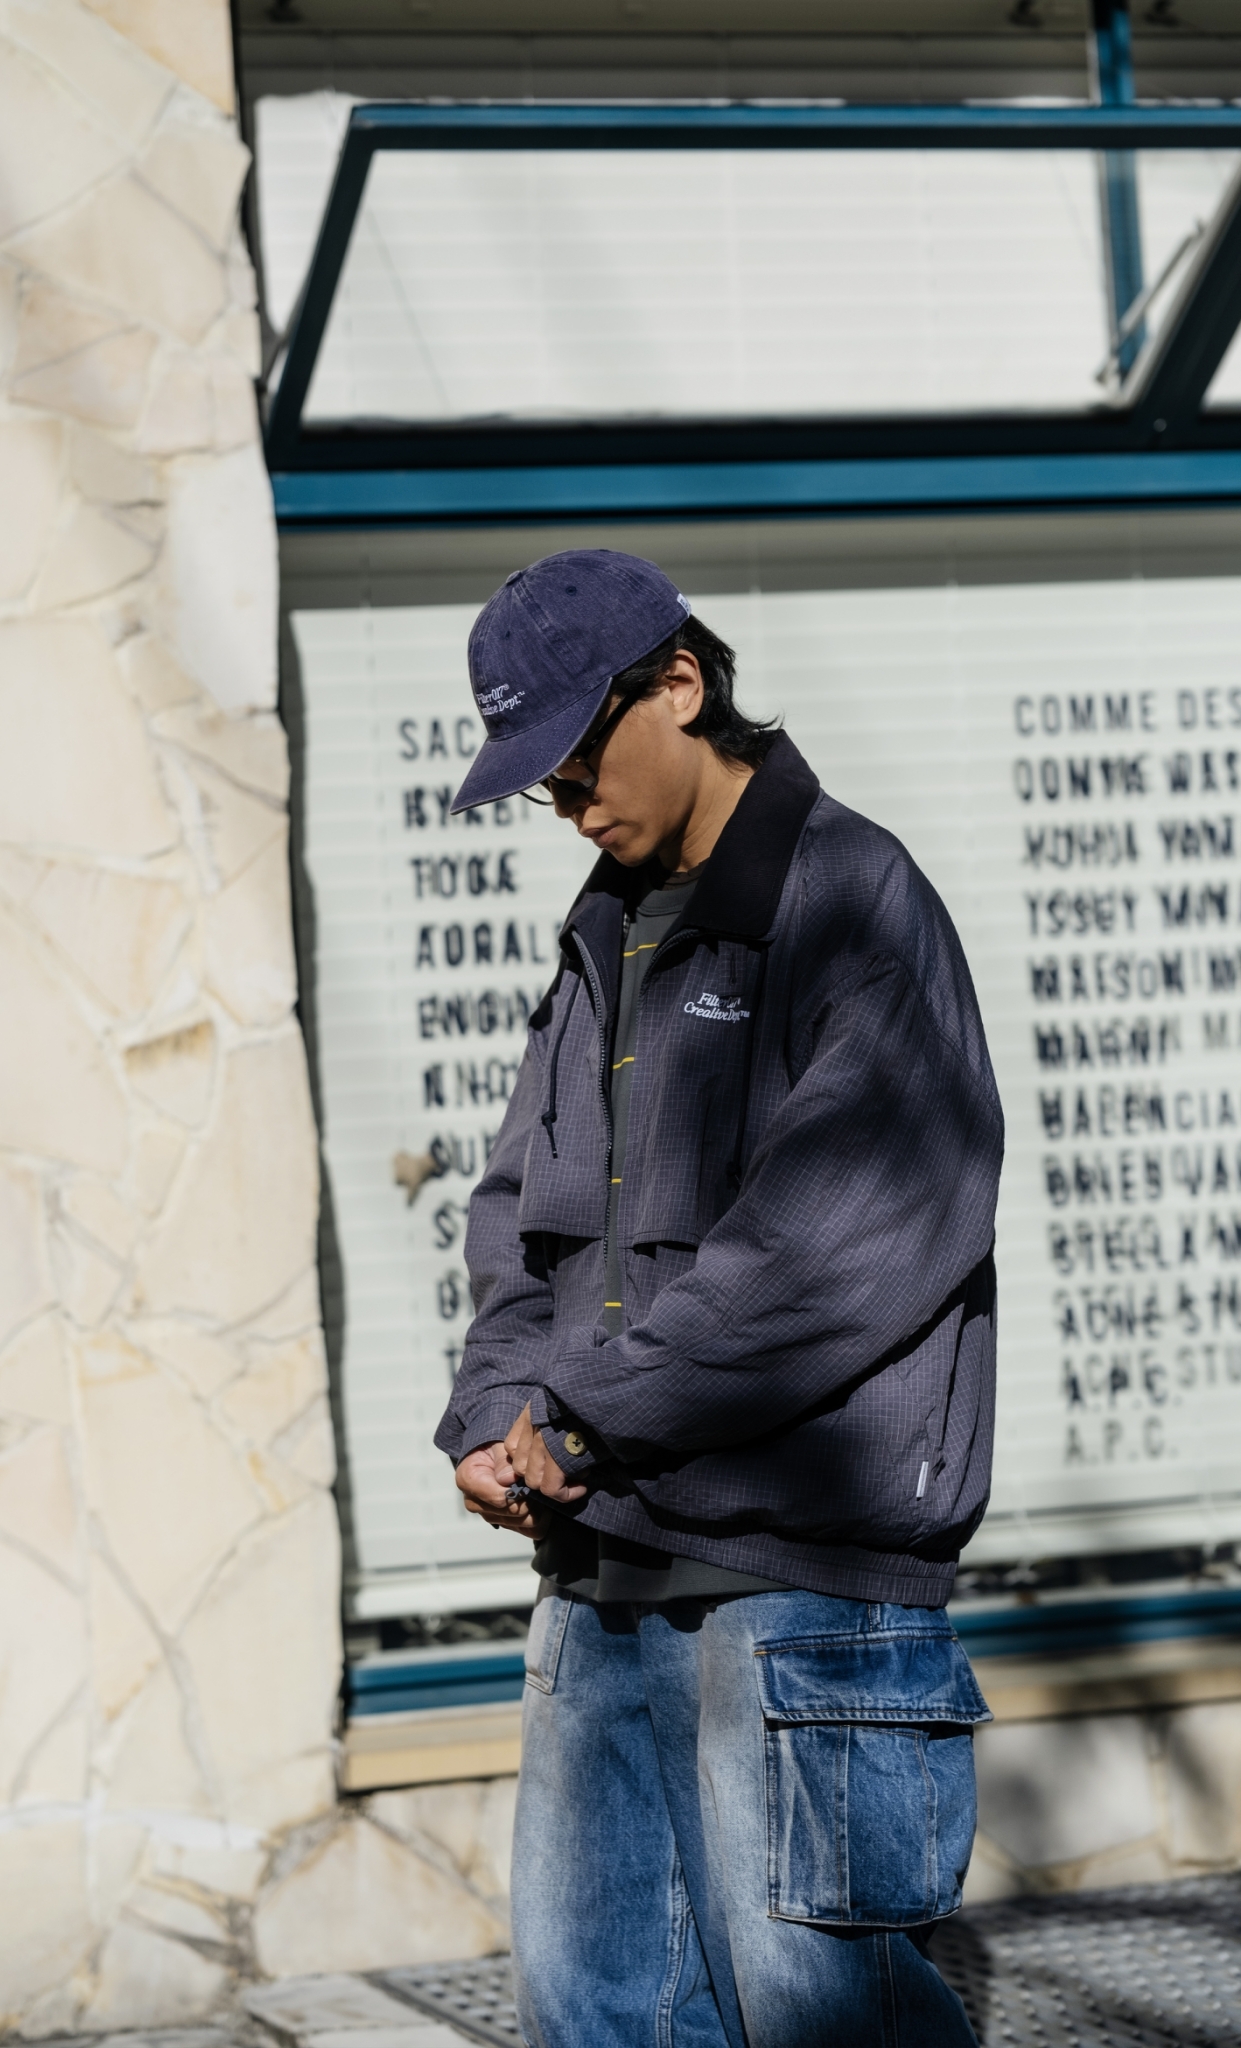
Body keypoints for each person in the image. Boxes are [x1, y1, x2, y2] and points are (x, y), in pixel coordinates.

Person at [434, 548, 1003, 2048]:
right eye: (542, 783)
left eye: (576, 757)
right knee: (596, 2016)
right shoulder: (606, 928)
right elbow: (521, 1210)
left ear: (680, 685)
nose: (569, 801)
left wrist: (585, 1413)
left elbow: (832, 1247)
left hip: (799, 1588)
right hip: (598, 1573)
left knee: (825, 2022)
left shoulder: (853, 901)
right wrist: (498, 1408)